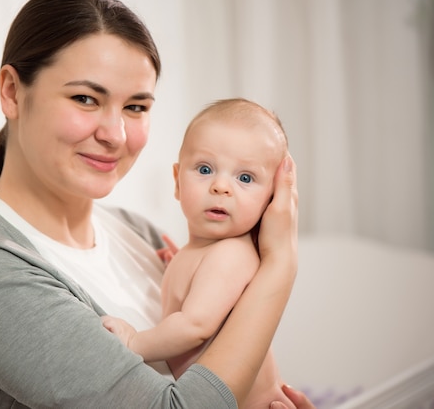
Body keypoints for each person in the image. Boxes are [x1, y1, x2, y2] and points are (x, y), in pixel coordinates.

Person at [0, 0, 313, 408]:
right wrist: (279, 268)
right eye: (85, 99)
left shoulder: (141, 235)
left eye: (135, 106)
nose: (115, 134)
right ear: (13, 92)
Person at [101, 98, 295, 409]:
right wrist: (177, 267)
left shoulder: (231, 254)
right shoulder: (202, 252)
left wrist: (135, 342)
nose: (221, 186)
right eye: (205, 169)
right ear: (177, 181)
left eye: (245, 178)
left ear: (272, 200)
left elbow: (195, 326)